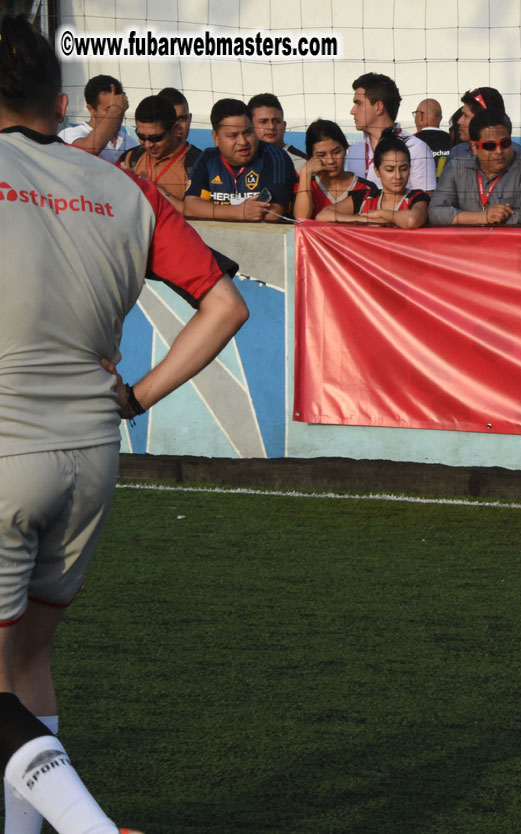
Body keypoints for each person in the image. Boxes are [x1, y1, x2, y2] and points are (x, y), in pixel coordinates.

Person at [0, 14, 249, 834]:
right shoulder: (126, 187)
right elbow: (225, 305)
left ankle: (90, 828)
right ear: (61, 101)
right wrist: (137, 398)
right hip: (93, 456)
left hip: (4, 451)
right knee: (26, 661)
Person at [183, 97, 297, 222]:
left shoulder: (274, 156)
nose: (243, 142)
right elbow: (190, 206)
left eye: (248, 132)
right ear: (216, 138)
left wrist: (212, 211)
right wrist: (238, 212)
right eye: (233, 135)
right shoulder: (208, 158)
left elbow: (273, 213)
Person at [428, 109, 521, 226]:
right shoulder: (456, 167)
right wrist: (484, 216)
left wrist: (466, 219)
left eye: (505, 143)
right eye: (490, 146)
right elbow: (435, 212)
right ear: (474, 147)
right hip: (466, 244)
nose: (499, 151)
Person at [344, 73, 436, 192]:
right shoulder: (355, 149)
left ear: (378, 106)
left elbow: (426, 201)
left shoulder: (416, 148)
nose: (352, 111)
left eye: (358, 103)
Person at [117, 95, 201, 214]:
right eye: (141, 137)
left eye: (156, 138)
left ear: (175, 129)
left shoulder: (198, 164)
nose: (148, 145)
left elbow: (198, 213)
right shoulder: (129, 158)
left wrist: (153, 190)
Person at [323, 134, 429, 228]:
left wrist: (381, 214)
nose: (398, 176)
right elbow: (324, 215)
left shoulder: (417, 197)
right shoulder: (365, 197)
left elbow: (412, 220)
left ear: (410, 168)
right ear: (377, 171)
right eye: (390, 170)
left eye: (404, 168)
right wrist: (366, 220)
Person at [293, 119, 378, 221]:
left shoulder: (366, 188)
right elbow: (301, 219)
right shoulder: (305, 184)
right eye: (322, 155)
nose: (331, 161)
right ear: (311, 157)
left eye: (336, 152)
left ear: (345, 148)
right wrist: (305, 173)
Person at [57, 74, 137, 162]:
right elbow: (87, 151)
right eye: (109, 109)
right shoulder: (70, 135)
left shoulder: (130, 142)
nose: (117, 114)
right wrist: (115, 109)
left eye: (121, 107)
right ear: (91, 109)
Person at [247, 92, 307, 167]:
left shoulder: (303, 162)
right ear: (250, 126)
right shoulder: (242, 160)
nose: (271, 127)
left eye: (277, 121)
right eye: (263, 122)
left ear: (284, 126)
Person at [412, 97, 452, 177]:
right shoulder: (454, 140)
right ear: (440, 118)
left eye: (415, 114)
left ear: (420, 116)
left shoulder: (410, 141)